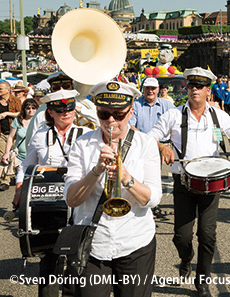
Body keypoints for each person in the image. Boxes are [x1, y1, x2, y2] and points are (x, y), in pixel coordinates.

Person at [148, 67, 230, 297]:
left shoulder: (216, 115)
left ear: (208, 90)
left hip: (211, 183)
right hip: (183, 181)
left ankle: (202, 279)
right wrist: (163, 146)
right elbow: (150, 138)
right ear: (187, 88)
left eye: (200, 86)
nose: (195, 90)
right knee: (181, 236)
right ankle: (186, 258)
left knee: (208, 234)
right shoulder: (173, 115)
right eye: (191, 86)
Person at [65, 81, 161, 297]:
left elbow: (153, 198)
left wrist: (127, 178)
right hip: (93, 245)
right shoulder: (82, 144)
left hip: (135, 242)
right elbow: (71, 199)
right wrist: (96, 171)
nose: (110, 121)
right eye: (104, 114)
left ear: (130, 112)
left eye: (118, 115)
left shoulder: (145, 144)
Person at [20, 90, 91, 297]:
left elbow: (103, 122)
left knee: (76, 255)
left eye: (69, 109)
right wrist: (19, 189)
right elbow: (26, 165)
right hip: (49, 199)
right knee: (50, 253)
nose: (66, 113)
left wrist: (82, 108)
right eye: (60, 110)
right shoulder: (41, 136)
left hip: (78, 198)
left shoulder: (86, 134)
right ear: (50, 112)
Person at [1, 99, 38, 207]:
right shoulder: (18, 121)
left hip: (35, 157)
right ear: (24, 109)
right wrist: (7, 153)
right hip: (21, 157)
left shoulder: (40, 121)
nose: (30, 110)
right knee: (19, 184)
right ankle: (18, 203)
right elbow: (11, 137)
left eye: (33, 108)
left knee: (33, 184)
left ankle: (30, 205)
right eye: (28, 108)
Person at [0, 81, 21, 191]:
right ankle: (5, 181)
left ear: (8, 90)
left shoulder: (15, 101)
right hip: (2, 133)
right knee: (3, 156)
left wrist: (7, 113)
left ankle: (18, 177)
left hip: (15, 133)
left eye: (1, 89)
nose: (0, 91)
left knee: (15, 156)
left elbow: (21, 113)